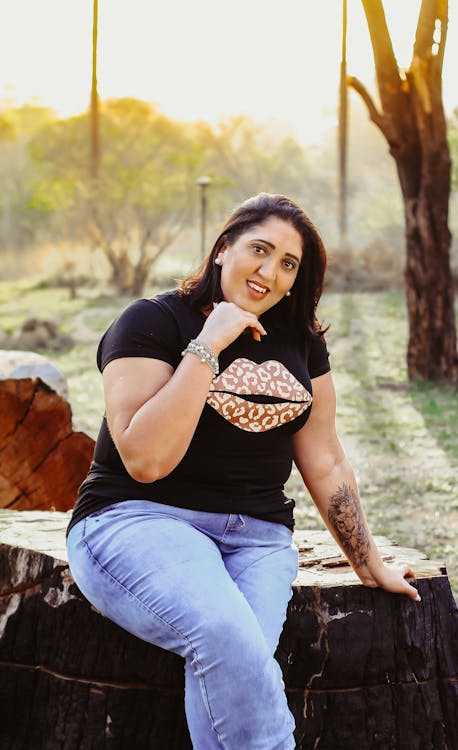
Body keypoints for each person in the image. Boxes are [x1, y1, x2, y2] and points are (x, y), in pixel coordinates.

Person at [66, 193, 420, 750]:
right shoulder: (152, 322)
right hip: (138, 521)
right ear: (222, 248)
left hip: (257, 541)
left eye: (288, 263)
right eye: (259, 249)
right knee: (226, 638)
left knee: (238, 660)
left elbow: (325, 460)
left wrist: (369, 563)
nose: (269, 272)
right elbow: (146, 459)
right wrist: (209, 343)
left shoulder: (302, 341)